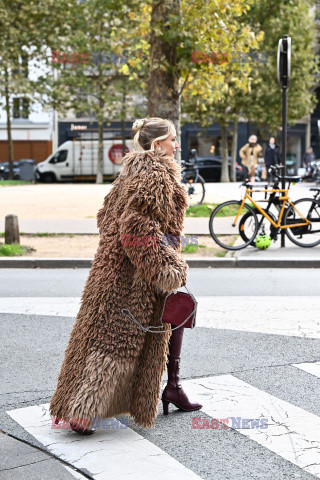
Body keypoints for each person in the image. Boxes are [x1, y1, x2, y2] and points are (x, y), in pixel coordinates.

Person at [49, 117, 202, 435]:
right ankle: (84, 412)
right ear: (157, 143)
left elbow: (106, 216)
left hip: (108, 270)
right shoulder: (156, 173)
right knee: (117, 345)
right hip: (132, 281)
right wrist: (165, 267)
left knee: (92, 339)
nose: (177, 145)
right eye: (173, 139)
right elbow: (136, 227)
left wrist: (113, 250)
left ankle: (72, 404)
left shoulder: (131, 171)